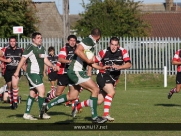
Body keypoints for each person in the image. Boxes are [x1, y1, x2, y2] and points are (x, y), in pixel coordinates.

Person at [73, 37, 132, 121]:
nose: (113, 47)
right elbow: (92, 61)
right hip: (102, 75)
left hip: (113, 79)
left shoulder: (123, 51)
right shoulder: (103, 52)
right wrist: (89, 71)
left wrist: (120, 67)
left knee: (98, 101)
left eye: (115, 45)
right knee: (111, 92)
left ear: (118, 45)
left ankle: (78, 106)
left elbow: (129, 64)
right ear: (109, 44)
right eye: (112, 44)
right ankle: (105, 115)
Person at [13, 32, 57, 120]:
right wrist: (17, 71)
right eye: (38, 38)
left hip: (39, 74)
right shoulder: (30, 47)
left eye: (41, 37)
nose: (40, 39)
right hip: (32, 73)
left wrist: (52, 66)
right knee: (42, 90)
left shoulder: (42, 48)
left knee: (33, 93)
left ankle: (26, 114)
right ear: (33, 39)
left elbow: (45, 59)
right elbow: (22, 60)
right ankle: (42, 113)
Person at [45, 35, 80, 110]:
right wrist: (69, 61)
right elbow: (60, 59)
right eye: (71, 40)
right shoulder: (64, 49)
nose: (72, 42)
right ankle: (49, 97)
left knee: (74, 93)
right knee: (58, 93)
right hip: (64, 73)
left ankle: (74, 108)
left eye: (74, 40)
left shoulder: (77, 49)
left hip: (73, 73)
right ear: (68, 41)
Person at [0, 36, 24, 109]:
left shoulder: (20, 50)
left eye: (14, 41)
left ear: (16, 42)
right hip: (7, 70)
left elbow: (24, 59)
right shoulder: (5, 49)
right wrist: (6, 61)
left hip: (16, 70)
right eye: (11, 41)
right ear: (9, 42)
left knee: (15, 85)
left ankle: (15, 101)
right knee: (9, 87)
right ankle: (11, 102)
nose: (12, 43)